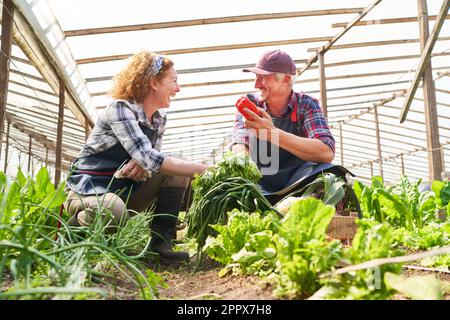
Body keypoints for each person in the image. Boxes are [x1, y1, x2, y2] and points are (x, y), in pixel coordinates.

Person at [65, 50, 209, 264]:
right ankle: (72, 235)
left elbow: (150, 162)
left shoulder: (158, 119)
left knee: (177, 173)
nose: (177, 88)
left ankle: (161, 245)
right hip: (88, 190)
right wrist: (208, 169)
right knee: (112, 211)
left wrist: (146, 164)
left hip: (126, 189)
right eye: (173, 81)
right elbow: (148, 156)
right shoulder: (120, 108)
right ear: (153, 82)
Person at [231, 49, 351, 203]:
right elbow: (240, 143)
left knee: (331, 176)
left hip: (299, 185)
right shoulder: (250, 103)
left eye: (263, 77)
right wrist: (242, 165)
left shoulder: (306, 104)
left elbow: (326, 152)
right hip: (258, 184)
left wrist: (272, 133)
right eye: (256, 77)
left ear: (286, 79)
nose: (256, 84)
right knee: (230, 185)